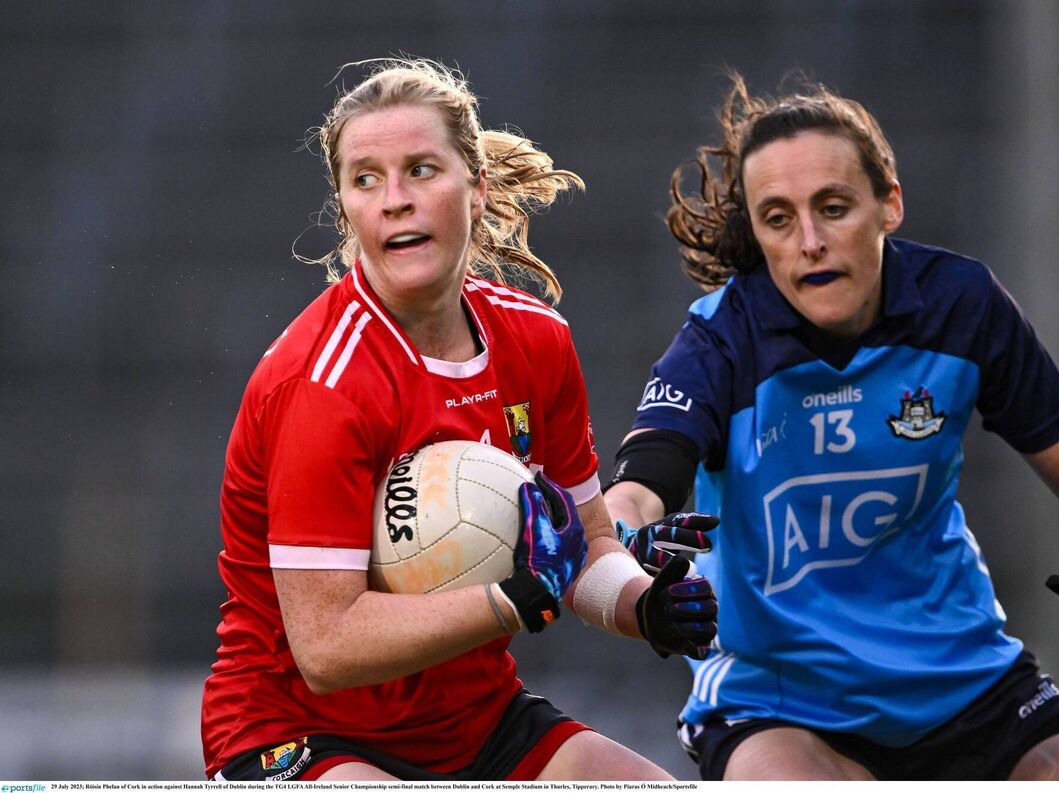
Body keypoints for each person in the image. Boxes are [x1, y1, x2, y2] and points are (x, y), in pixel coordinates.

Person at [603, 72, 1059, 782]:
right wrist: (632, 541)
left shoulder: (962, 308)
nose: (810, 241)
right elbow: (636, 489)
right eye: (778, 218)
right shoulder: (721, 338)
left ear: (889, 204)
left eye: (834, 206)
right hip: (779, 703)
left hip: (968, 685)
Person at [201, 57, 716, 782]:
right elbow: (325, 647)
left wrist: (643, 604)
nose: (395, 200)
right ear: (345, 207)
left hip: (474, 723)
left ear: (475, 190)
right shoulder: (323, 383)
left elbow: (582, 545)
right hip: (297, 730)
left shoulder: (537, 340)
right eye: (366, 178)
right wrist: (508, 600)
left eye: (421, 169)